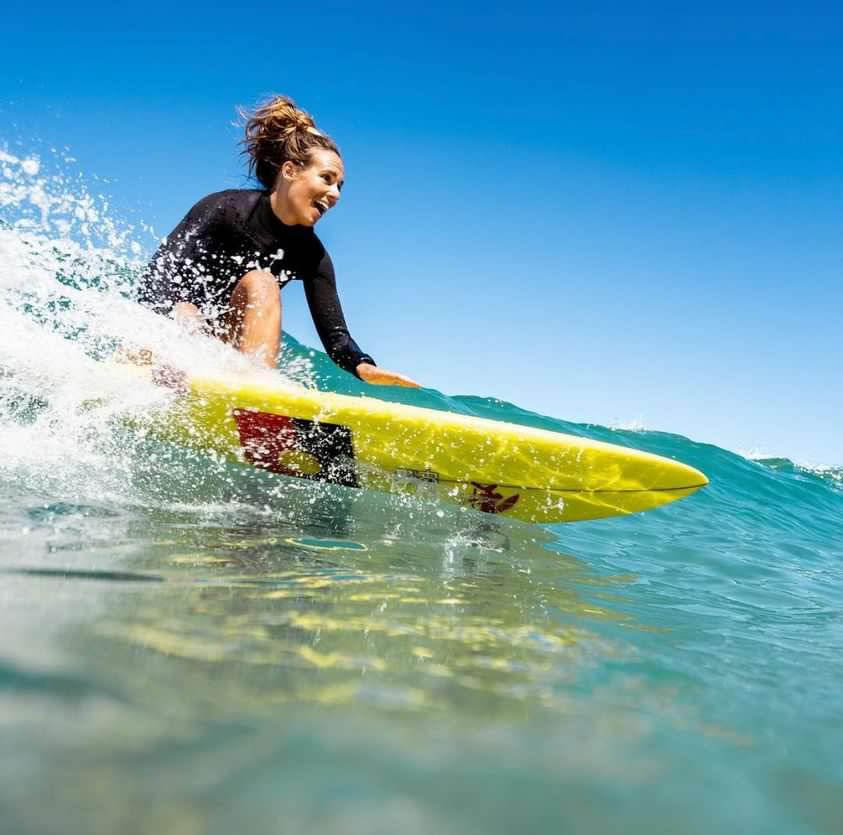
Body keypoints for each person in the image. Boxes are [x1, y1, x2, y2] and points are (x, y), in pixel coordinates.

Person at [136, 95, 419, 388]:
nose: (335, 194)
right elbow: (158, 278)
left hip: (221, 351)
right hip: (170, 334)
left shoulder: (312, 255)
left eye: (339, 186)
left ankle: (256, 397)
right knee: (188, 314)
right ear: (290, 171)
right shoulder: (225, 209)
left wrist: (363, 366)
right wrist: (178, 323)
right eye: (326, 178)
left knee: (262, 283)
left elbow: (336, 338)